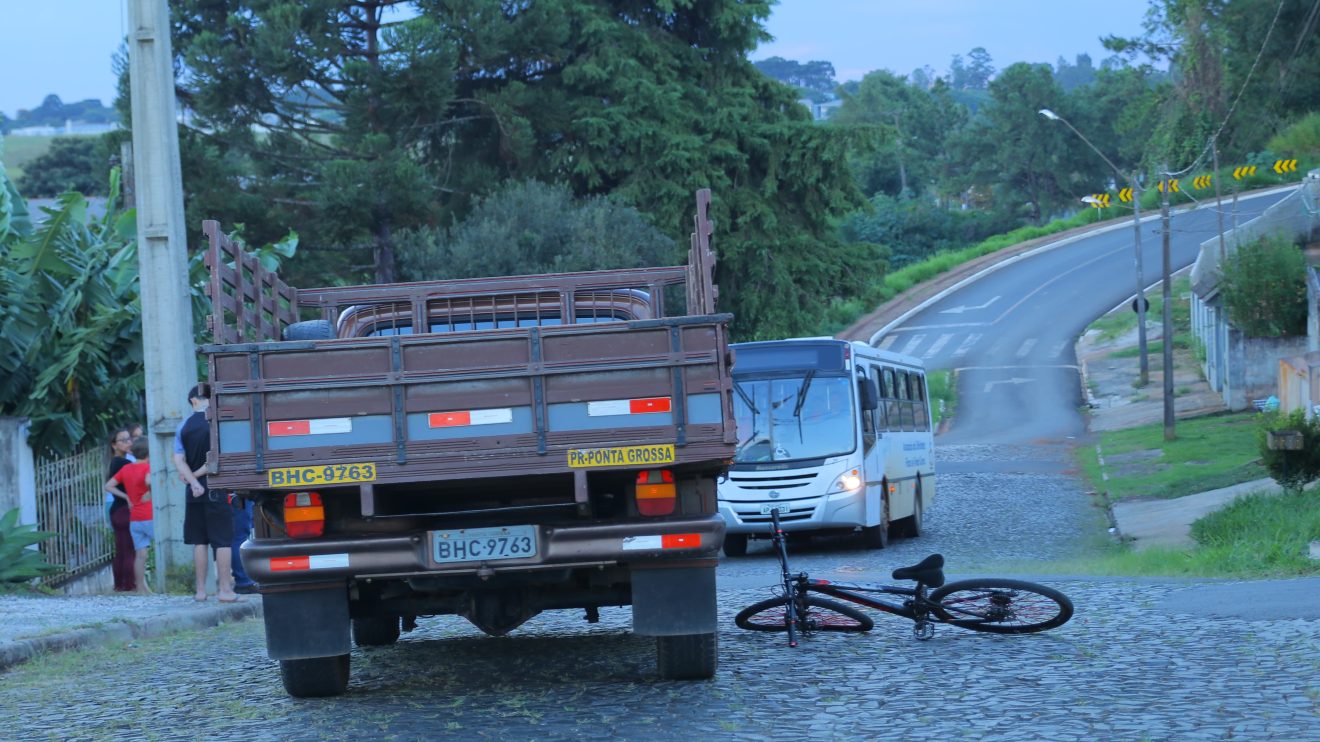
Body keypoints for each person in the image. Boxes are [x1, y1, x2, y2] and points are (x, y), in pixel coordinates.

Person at [173, 383, 240, 603]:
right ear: (195, 401)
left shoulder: (182, 426)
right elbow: (215, 460)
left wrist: (193, 482)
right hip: (216, 489)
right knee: (222, 541)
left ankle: (200, 592)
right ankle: (224, 590)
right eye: (207, 398)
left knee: (199, 541)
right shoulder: (216, 424)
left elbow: (178, 460)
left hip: (193, 492)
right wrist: (199, 477)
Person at [104, 437, 154, 595]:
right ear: (149, 453)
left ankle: (140, 588)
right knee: (161, 548)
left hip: (135, 518)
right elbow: (149, 481)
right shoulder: (148, 467)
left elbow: (108, 486)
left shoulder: (126, 469)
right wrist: (150, 491)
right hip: (149, 516)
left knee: (140, 554)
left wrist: (126, 497)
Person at [104, 428, 136, 592]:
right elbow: (109, 486)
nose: (128, 442)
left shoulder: (116, 462)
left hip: (117, 510)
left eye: (128, 439)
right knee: (128, 549)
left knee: (122, 549)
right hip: (124, 510)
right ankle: (129, 584)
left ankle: (120, 584)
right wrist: (127, 497)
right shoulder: (124, 464)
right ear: (114, 445)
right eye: (123, 440)